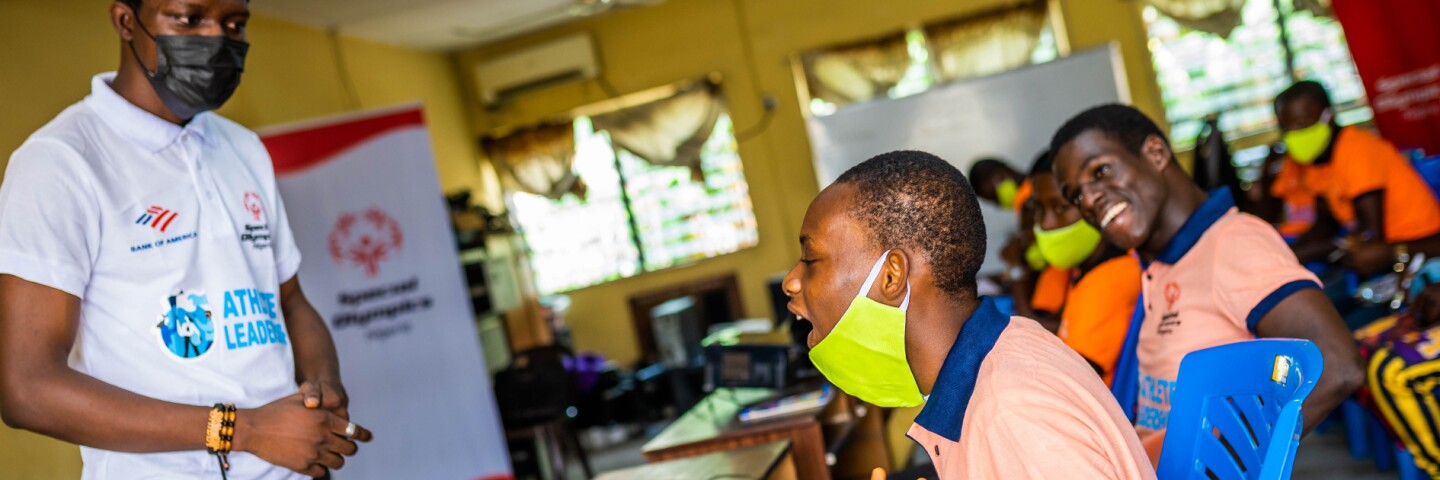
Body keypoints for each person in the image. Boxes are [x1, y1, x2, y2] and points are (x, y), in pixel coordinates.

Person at [0, 1, 371, 478]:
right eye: (189, 18)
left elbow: (291, 300)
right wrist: (248, 431)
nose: (216, 39)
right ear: (126, 21)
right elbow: (26, 388)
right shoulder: (62, 162)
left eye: (235, 24)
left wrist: (323, 388)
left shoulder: (243, 148)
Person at [784, 150, 1153, 479]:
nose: (791, 282)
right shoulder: (1004, 350)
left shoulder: (1011, 416)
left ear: (892, 275)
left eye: (811, 260)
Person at [1050, 104, 1365, 465]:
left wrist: (1221, 469)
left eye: (1101, 171)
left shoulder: (1231, 242)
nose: (1088, 200)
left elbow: (1337, 366)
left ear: (1155, 153)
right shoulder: (1162, 262)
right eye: (1076, 194)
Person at [1273, 81, 1440, 277]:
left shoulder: (1356, 150)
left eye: (1300, 123)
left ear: (1328, 115)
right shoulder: (1316, 161)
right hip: (1384, 255)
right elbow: (1325, 223)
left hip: (1418, 248)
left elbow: (1371, 233)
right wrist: (1283, 252)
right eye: (1286, 127)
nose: (1293, 133)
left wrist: (1307, 252)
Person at [1028, 151, 1141, 387]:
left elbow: (1073, 378)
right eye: (1039, 210)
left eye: (1060, 208)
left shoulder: (1111, 278)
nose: (1046, 224)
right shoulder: (1085, 271)